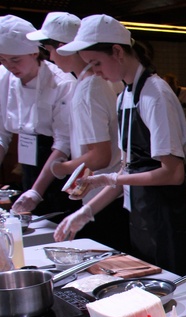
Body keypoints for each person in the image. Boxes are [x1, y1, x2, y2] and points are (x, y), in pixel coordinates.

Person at [56, 14, 186, 275]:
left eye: (96, 62)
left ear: (117, 51)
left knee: (169, 289)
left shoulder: (156, 95)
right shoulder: (125, 96)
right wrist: (86, 211)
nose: (94, 71)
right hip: (141, 213)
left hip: (166, 215)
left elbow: (173, 173)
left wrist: (111, 179)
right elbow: (127, 170)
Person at [26, 12, 131, 253]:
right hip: (109, 193)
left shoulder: (88, 89)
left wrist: (63, 168)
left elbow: (101, 156)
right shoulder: (98, 82)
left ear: (63, 48)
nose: (49, 57)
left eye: (49, 51)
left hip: (103, 198)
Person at [0, 17, 79, 220]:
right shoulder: (3, 78)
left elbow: (63, 142)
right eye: (2, 59)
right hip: (28, 161)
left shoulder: (62, 82)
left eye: (15, 60)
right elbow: (2, 134)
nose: (9, 66)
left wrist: (37, 191)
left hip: (57, 165)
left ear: (34, 52)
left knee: (55, 220)